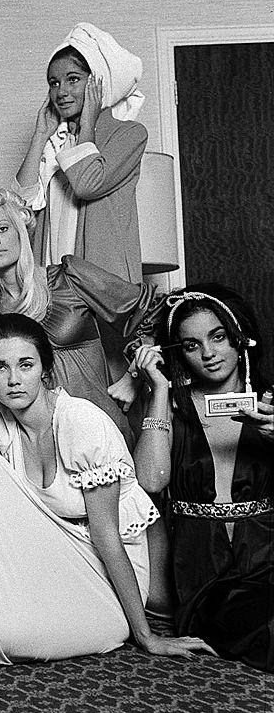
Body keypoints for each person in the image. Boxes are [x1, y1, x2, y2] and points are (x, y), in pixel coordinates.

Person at [0, 314, 218, 665]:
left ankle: (103, 622)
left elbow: (107, 538)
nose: (13, 380)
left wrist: (146, 636)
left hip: (105, 566)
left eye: (25, 365)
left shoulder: (81, 422)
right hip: (52, 552)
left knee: (6, 637)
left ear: (45, 370)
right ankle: (1, 609)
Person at [0, 182, 162, 445]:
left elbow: (154, 310)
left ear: (19, 231)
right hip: (27, 446)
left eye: (2, 228)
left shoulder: (69, 278)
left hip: (94, 432)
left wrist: (134, 377)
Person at [132, 284, 274, 672]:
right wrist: (159, 389)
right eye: (192, 345)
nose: (209, 354)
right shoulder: (173, 407)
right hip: (203, 571)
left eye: (218, 337)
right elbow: (151, 480)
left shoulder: (270, 402)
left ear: (240, 338)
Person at [15, 22, 148, 285]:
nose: (60, 92)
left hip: (103, 283)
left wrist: (89, 123)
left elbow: (87, 184)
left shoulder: (129, 134)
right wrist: (40, 136)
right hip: (53, 275)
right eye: (54, 83)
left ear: (97, 82)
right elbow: (21, 206)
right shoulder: (55, 143)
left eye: (73, 79)